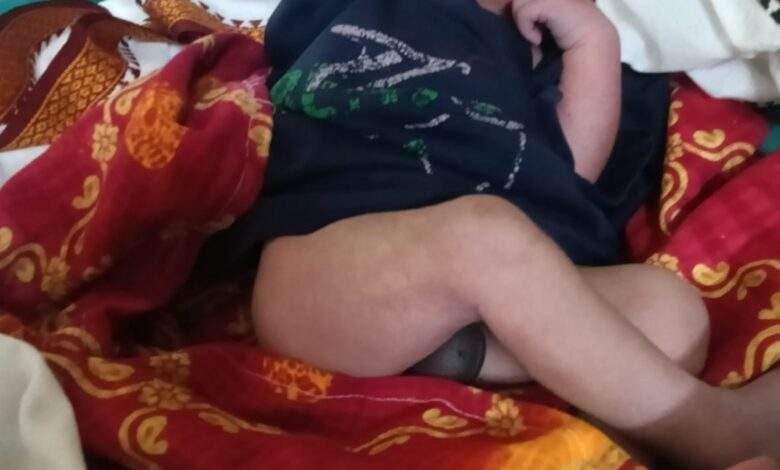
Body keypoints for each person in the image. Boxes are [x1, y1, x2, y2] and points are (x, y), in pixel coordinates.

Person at [240, 0, 780, 466]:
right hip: (328, 276)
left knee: (669, 311)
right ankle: (713, 432)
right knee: (481, 236)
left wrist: (593, 41)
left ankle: (600, 441)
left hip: (477, 321)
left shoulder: (543, 44)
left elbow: (569, 175)